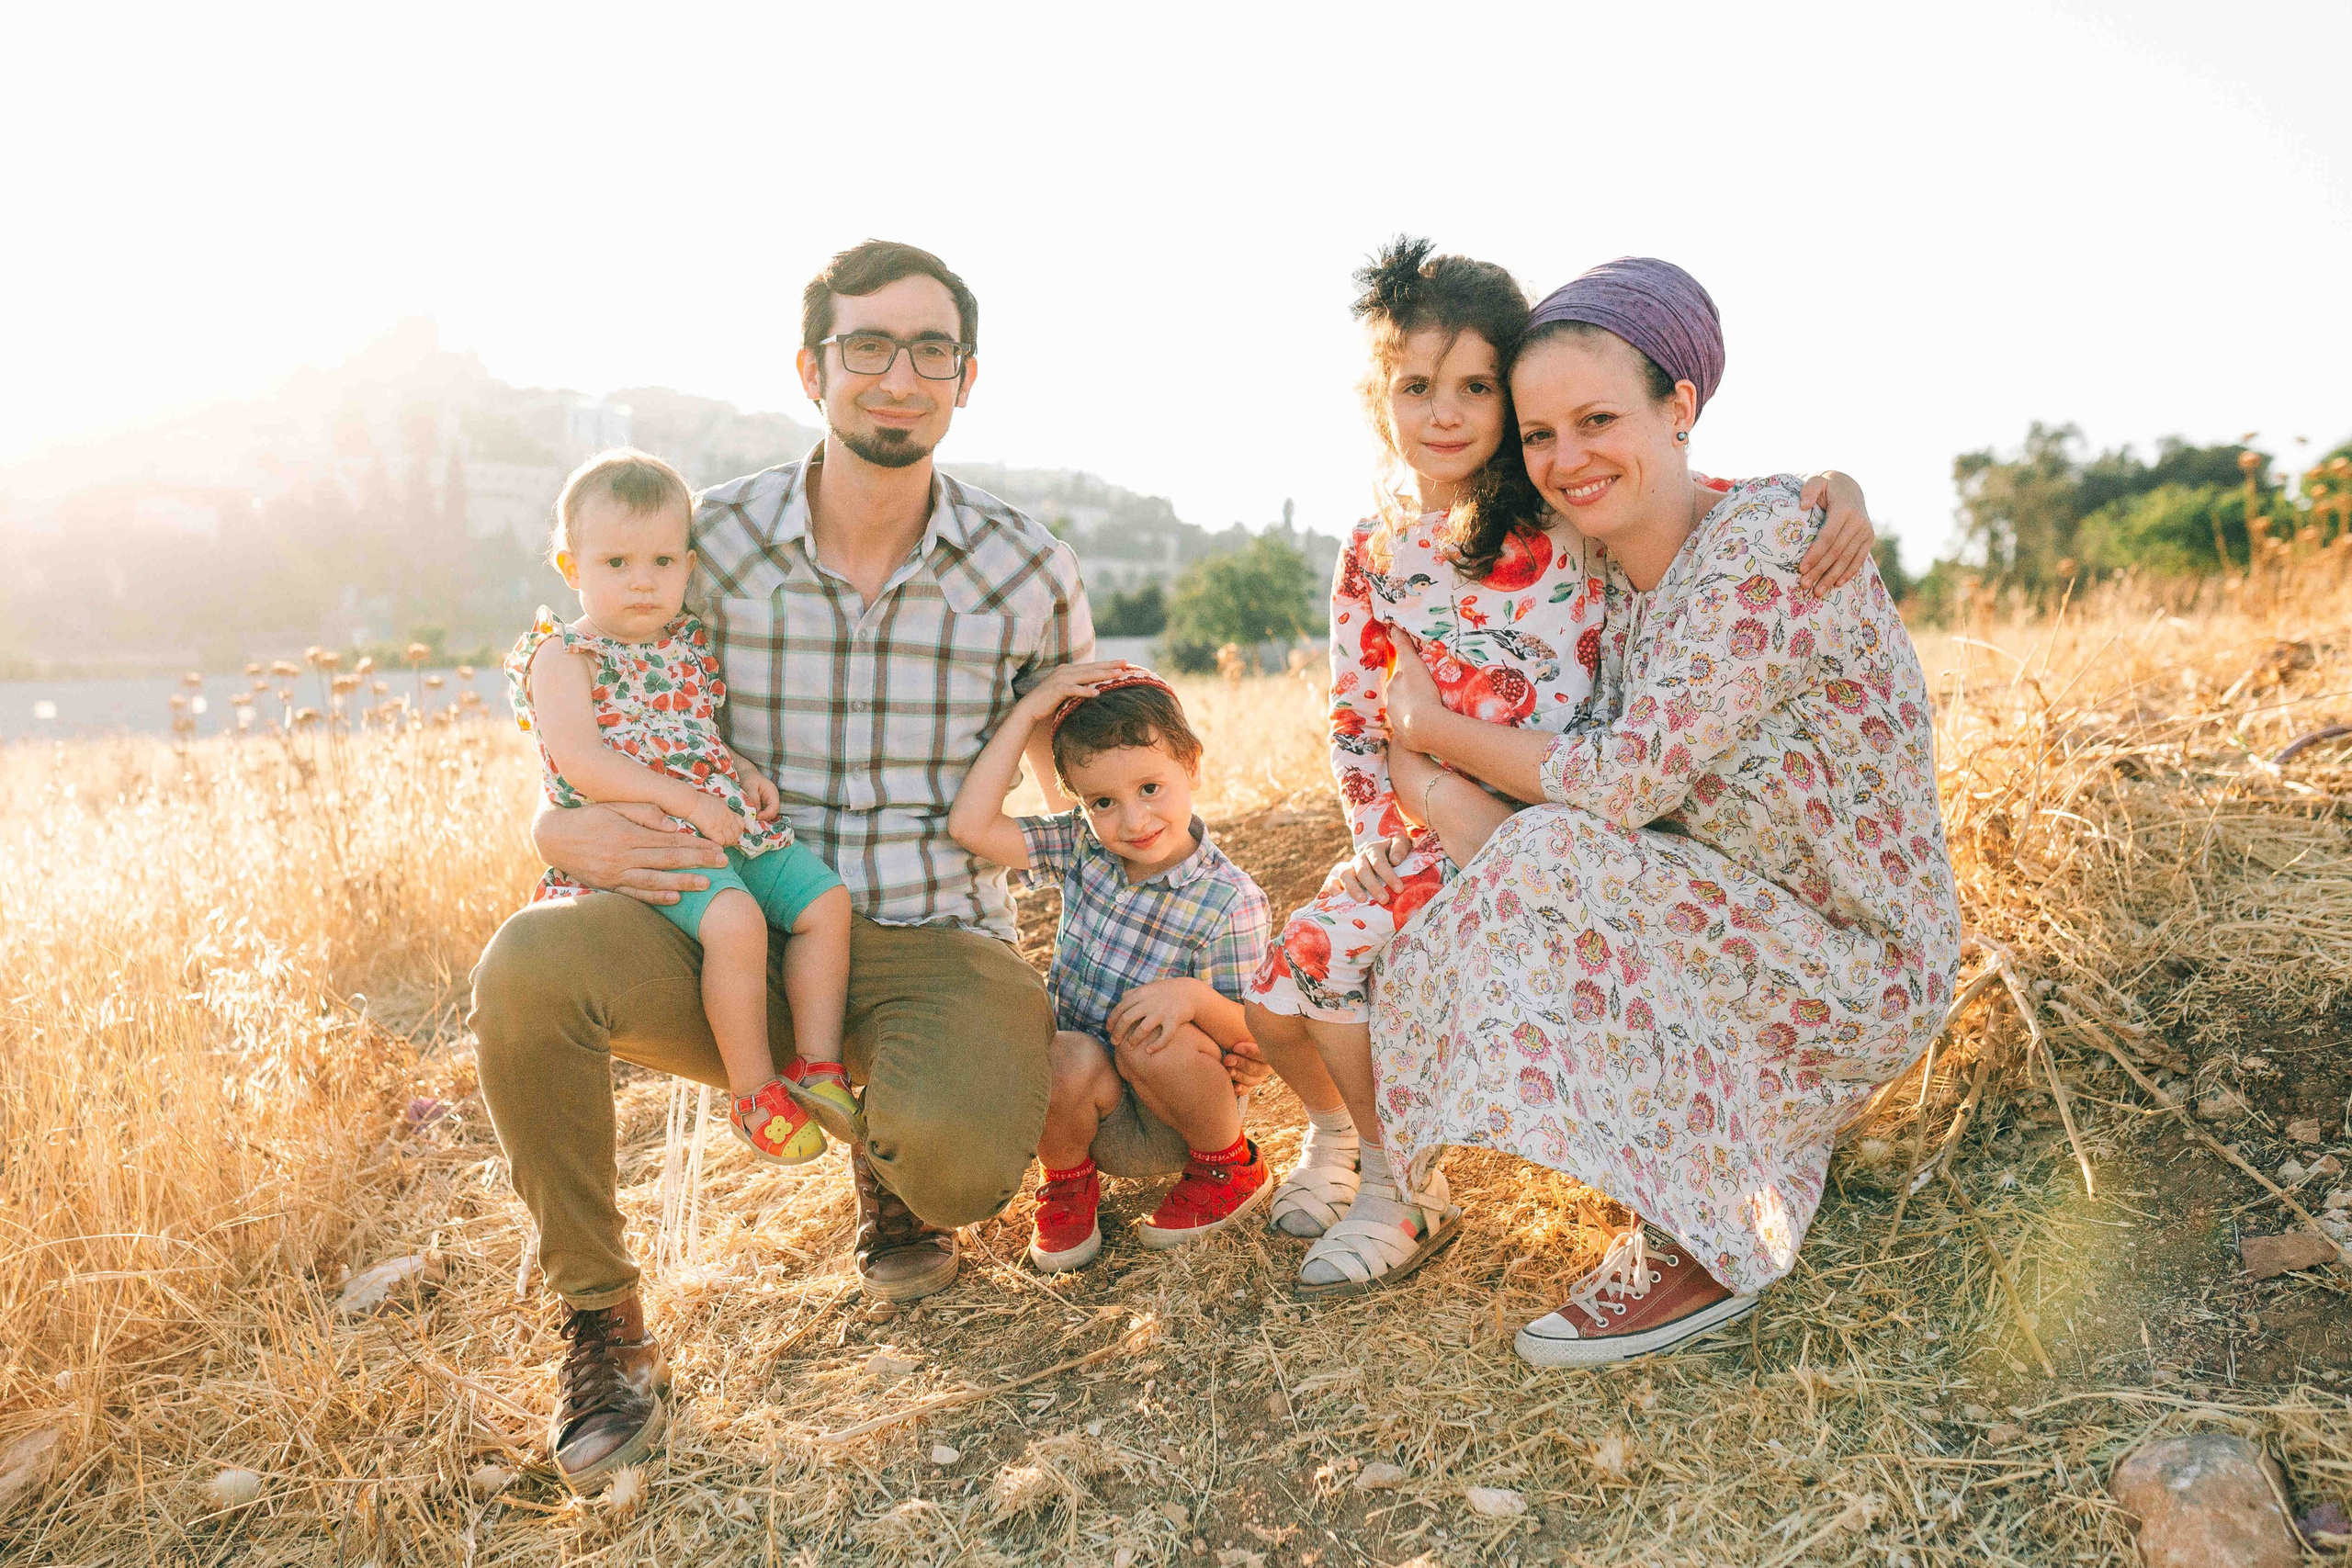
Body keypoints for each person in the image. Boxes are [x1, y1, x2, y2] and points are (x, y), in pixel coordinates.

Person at [469, 241, 1215, 1493]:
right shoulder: (720, 540)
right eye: (867, 344)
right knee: (527, 967)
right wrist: (553, 829)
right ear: (812, 367)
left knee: (968, 1164)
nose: (897, 374)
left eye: (930, 349)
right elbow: (601, 675)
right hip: (735, 917)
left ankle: (887, 1152)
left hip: (936, 930)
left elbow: (1089, 771)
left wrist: (1186, 949)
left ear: (966, 379)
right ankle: (601, 1318)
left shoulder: (1028, 566)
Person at [1238, 239, 1879, 1296]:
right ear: (1376, 397)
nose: (1442, 414)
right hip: (1433, 833)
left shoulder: (1567, 511)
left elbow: (1706, 497)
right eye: (1413, 386)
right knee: (1299, 965)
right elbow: (1360, 719)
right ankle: (1350, 1144)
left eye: (1474, 387)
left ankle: (1403, 1188)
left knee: (1372, 966)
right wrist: (1380, 843)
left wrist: (1838, 487)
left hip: (1566, 826)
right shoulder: (1376, 549)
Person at [1362, 256, 1963, 1362]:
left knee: (1548, 854)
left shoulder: (1772, 546)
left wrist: (1431, 738)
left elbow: (1628, 778)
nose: (1566, 459)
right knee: (1515, 856)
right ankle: (1669, 1147)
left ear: (1679, 407)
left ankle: (1714, 1237)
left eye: (1598, 418)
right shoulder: (1607, 570)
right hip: (1738, 919)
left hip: (1856, 965)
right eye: (1540, 434)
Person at [504, 450, 857, 1167]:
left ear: (689, 568)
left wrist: (745, 772)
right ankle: (754, 1090)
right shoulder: (563, 655)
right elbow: (582, 762)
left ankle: (818, 1065)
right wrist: (689, 800)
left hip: (723, 815)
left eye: (663, 561)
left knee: (826, 901)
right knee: (736, 920)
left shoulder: (686, 646)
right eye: (616, 563)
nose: (643, 580)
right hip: (655, 834)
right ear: (573, 570)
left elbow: (699, 736)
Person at [948, 667, 1275, 1270]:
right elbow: (970, 825)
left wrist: (1191, 998)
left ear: (1192, 767)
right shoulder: (1084, 849)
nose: (1132, 820)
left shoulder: (1231, 900)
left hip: (1180, 1115)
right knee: (1055, 1045)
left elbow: (1255, 1039)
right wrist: (1025, 719)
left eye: (1151, 786)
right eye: (1103, 801)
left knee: (1150, 1029)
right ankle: (1069, 1183)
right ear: (1080, 802)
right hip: (1085, 1109)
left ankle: (1229, 1171)